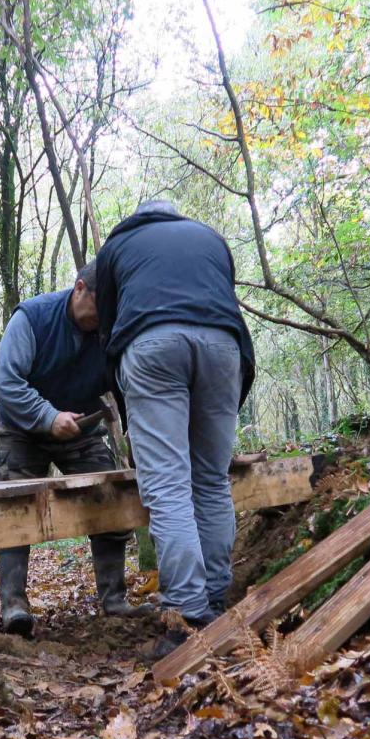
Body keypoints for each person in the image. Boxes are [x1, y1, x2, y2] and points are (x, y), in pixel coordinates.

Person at [93, 199, 255, 658]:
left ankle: (188, 616)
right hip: (225, 348)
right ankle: (217, 599)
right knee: (210, 477)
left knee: (167, 487)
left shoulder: (117, 246)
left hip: (151, 344)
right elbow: (222, 302)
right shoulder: (210, 238)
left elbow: (108, 330)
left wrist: (125, 402)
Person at [0, 262, 148, 636]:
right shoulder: (32, 318)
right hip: (22, 428)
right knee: (14, 507)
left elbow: (127, 390)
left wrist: (139, 443)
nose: (100, 320)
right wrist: (47, 417)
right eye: (98, 308)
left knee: (109, 496)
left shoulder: (110, 331)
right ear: (79, 289)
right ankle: (14, 605)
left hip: (81, 427)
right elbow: (7, 383)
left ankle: (113, 598)